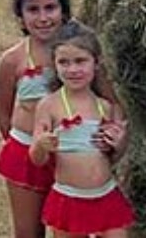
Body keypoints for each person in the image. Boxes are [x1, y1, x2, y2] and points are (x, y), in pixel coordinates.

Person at [29, 20, 135, 238]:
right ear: (54, 64)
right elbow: (36, 159)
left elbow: (112, 158)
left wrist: (120, 143)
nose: (73, 69)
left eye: (80, 61)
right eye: (64, 62)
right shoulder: (49, 105)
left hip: (106, 195)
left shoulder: (105, 107)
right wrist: (41, 145)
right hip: (69, 198)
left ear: (96, 63)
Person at [0, 0, 71, 238]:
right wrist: (26, 144)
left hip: (71, 155)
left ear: (63, 10)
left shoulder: (79, 55)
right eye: (33, 10)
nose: (43, 18)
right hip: (26, 155)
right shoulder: (12, 60)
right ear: (21, 16)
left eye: (50, 8)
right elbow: (3, 115)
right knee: (28, 233)